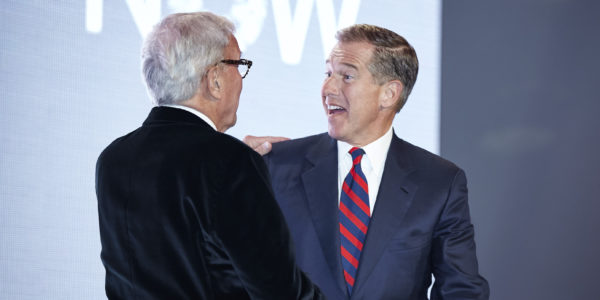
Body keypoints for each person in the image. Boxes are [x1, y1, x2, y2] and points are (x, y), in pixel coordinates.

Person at [246, 24, 489, 299]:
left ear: (389, 94)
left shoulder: (439, 182)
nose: (328, 88)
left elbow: (461, 289)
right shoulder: (276, 165)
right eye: (327, 73)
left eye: (346, 76)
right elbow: (236, 269)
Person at [95, 12, 323, 299]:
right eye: (239, 64)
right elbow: (279, 291)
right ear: (214, 80)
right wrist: (235, 164)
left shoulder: (114, 158)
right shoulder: (229, 162)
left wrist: (231, 165)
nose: (241, 78)